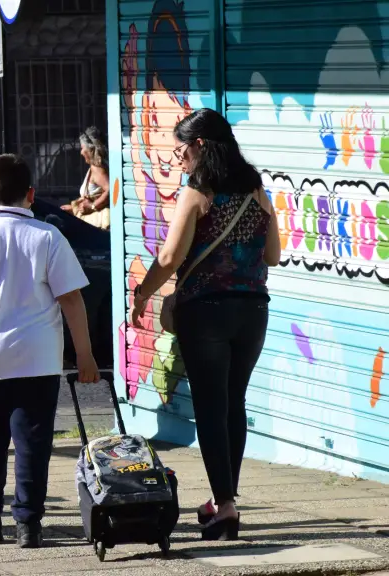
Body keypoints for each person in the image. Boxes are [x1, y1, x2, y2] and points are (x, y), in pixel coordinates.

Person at [0, 153, 100, 548]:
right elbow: (72, 300)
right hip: (39, 360)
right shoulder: (48, 237)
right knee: (33, 442)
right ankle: (29, 523)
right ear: (31, 194)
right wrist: (85, 354)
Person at [131, 108, 279, 541]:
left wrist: (142, 294)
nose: (178, 159)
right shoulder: (256, 191)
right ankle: (223, 500)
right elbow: (272, 256)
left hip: (207, 312)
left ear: (198, 146)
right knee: (234, 403)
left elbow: (169, 258)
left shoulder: (198, 192)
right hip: (253, 311)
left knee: (211, 408)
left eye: (180, 150)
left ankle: (226, 507)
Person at [62, 127, 110, 230]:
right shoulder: (98, 166)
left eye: (82, 148)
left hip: (97, 228)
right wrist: (74, 208)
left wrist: (92, 206)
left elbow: (110, 190)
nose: (81, 152)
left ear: (91, 150)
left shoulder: (97, 168)